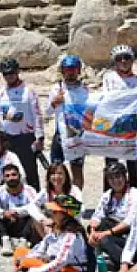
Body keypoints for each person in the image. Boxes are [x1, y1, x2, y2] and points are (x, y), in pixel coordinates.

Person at [0, 58, 44, 190]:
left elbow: (37, 115)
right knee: (7, 171)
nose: (9, 76)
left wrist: (40, 137)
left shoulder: (29, 91)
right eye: (6, 74)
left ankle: (35, 200)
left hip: (25, 137)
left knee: (29, 171)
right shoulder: (0, 93)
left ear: (18, 71)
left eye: (12, 73)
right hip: (6, 138)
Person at [12, 194, 89, 272]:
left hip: (69, 269)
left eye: (55, 211)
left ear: (65, 215)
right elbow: (40, 250)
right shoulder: (56, 228)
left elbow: (60, 262)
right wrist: (24, 260)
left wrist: (33, 270)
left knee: (26, 263)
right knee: (20, 252)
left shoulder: (72, 236)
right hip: (55, 264)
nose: (51, 213)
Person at [89, 162, 137, 270]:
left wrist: (107, 233)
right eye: (111, 178)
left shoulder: (134, 194)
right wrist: (92, 232)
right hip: (112, 231)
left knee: (104, 238)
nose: (115, 181)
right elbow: (96, 216)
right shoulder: (107, 195)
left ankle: (126, 262)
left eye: (118, 177)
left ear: (125, 176)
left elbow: (130, 221)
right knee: (96, 229)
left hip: (130, 234)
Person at [46, 55, 89, 190]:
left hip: (77, 135)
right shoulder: (56, 88)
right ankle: (57, 201)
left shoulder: (84, 89)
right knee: (55, 172)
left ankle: (76, 202)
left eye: (73, 70)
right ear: (63, 71)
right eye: (67, 70)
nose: (70, 73)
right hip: (60, 135)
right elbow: (47, 112)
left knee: (77, 171)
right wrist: (54, 102)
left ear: (78, 71)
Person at [103, 45, 137, 187]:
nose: (123, 61)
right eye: (119, 58)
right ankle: (110, 197)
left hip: (132, 128)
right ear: (115, 61)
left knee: (133, 166)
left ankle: (134, 197)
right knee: (111, 165)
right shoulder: (109, 78)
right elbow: (107, 99)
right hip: (113, 127)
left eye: (127, 58)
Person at [0, 164, 41, 257]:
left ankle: (24, 241)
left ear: (19, 175)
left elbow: (36, 205)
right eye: (7, 176)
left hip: (24, 224)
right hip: (7, 224)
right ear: (4, 178)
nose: (11, 178)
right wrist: (3, 213)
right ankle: (5, 240)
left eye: (14, 174)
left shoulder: (29, 190)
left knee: (34, 213)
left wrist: (16, 212)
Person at [32, 163, 85, 239]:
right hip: (52, 226)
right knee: (35, 217)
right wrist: (43, 219)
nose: (56, 177)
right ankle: (46, 240)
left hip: (70, 225)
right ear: (49, 177)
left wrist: (61, 218)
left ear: (66, 176)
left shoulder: (74, 190)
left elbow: (81, 209)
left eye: (60, 173)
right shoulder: (46, 192)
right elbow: (31, 207)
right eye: (53, 174)